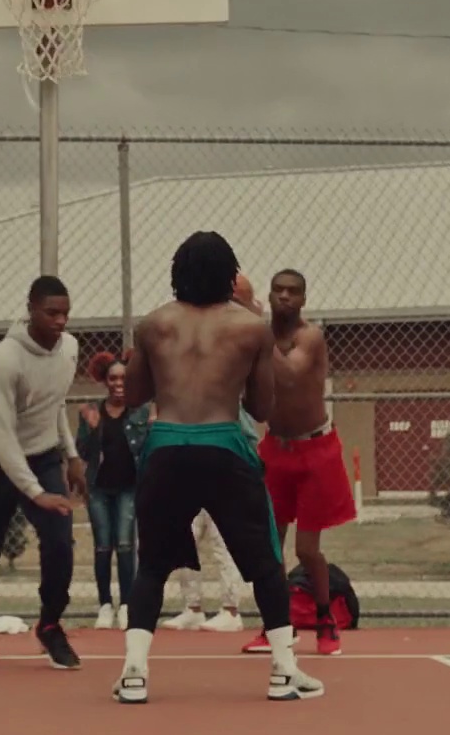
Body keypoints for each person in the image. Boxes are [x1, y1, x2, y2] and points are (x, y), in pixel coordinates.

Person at [113, 232, 323, 704]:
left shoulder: (153, 324)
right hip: (224, 445)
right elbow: (262, 406)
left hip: (166, 445)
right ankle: (284, 670)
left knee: (152, 564)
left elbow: (136, 394)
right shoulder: (250, 328)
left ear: (177, 273)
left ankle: (134, 672)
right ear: (230, 276)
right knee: (265, 562)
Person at [0, 275, 90, 668]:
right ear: (31, 310)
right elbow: (0, 434)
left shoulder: (69, 349)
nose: (60, 321)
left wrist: (71, 455)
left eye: (65, 313)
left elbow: (54, 404)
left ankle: (49, 625)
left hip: (42, 456)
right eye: (51, 313)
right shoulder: (6, 359)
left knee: (60, 541)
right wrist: (34, 492)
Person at [241, 268, 354, 657]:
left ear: (303, 299)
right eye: (278, 290)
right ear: (270, 295)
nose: (285, 296)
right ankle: (276, 626)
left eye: (292, 291)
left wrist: (258, 329)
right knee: (271, 547)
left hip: (315, 449)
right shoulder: (258, 338)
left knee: (306, 550)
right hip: (276, 449)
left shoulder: (311, 337)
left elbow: (290, 373)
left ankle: (325, 617)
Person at [162, 272, 258, 632]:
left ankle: (231, 610)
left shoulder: (248, 338)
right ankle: (193, 606)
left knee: (222, 535)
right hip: (191, 445)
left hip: (229, 448)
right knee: (184, 531)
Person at [76, 350, 149, 629]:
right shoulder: (92, 412)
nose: (119, 383)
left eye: (124, 378)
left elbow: (146, 450)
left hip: (129, 488)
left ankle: (127, 604)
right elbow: (83, 452)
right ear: (104, 381)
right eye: (113, 378)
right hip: (99, 489)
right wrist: (92, 429)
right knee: (103, 546)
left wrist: (152, 425)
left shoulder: (141, 411)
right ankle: (105, 605)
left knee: (126, 544)